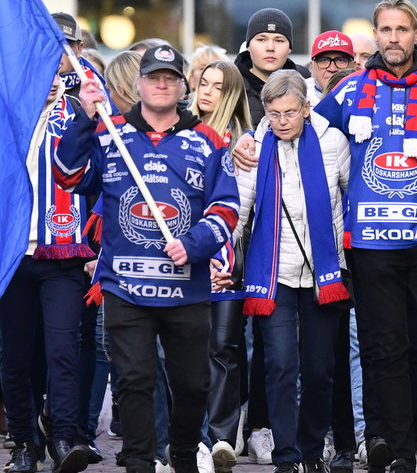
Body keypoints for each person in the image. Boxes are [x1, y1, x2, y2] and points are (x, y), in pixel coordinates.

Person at [53, 44, 240, 473]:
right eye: (154, 76)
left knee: (192, 386)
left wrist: (193, 244)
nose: (161, 83)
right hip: (126, 286)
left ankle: (182, 456)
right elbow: (67, 175)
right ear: (138, 84)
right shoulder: (109, 132)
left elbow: (227, 208)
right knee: (134, 381)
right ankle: (138, 462)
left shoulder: (209, 140)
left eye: (170, 77)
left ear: (182, 86)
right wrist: (84, 116)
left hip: (186, 288)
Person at [314, 0, 417, 473]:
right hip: (371, 245)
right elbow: (303, 134)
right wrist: (249, 141)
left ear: (415, 34)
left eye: (401, 29)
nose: (392, 38)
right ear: (376, 34)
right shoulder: (349, 90)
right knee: (386, 350)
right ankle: (404, 452)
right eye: (384, 29)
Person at [235, 69, 350, 473]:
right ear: (264, 110)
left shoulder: (332, 142)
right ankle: (287, 457)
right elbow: (239, 210)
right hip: (274, 275)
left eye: (290, 112)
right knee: (280, 366)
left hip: (324, 273)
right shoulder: (252, 147)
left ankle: (312, 449)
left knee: (319, 370)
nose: (282, 121)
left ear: (305, 106)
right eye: (274, 113)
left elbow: (352, 196)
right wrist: (222, 255)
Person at [1, 71, 94, 473]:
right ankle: (24, 442)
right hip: (11, 257)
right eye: (39, 70)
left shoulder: (78, 116)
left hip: (63, 254)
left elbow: (103, 179)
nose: (52, 81)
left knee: (63, 352)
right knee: (15, 357)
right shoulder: (7, 117)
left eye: (59, 74)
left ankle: (62, 437)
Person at [189, 60, 251, 472]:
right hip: (187, 262)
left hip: (230, 265)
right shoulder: (180, 134)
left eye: (217, 86)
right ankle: (188, 437)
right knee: (186, 353)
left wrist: (231, 262)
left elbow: (245, 214)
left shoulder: (246, 145)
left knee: (225, 351)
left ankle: (223, 438)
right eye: (203, 84)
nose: (207, 92)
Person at [234, 8, 305, 126]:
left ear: (290, 48)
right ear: (248, 45)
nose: (270, 47)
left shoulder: (306, 82)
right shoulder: (229, 83)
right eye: (261, 39)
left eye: (279, 40)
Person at [306, 31, 355, 103]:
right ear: (312, 66)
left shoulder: (368, 97)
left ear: (353, 66)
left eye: (340, 61)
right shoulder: (297, 99)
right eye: (324, 60)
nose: (332, 69)